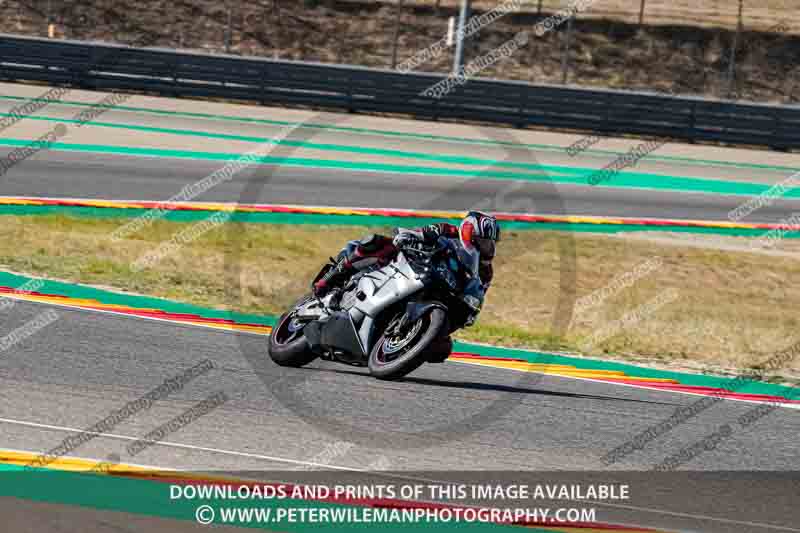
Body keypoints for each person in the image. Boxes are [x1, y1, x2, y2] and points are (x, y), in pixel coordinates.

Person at [312, 211, 501, 300]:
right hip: (415, 262)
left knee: (442, 350)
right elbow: (421, 232)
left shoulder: (486, 271)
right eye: (484, 241)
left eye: (490, 244)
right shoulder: (448, 230)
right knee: (374, 242)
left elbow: (477, 295)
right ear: (469, 231)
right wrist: (409, 236)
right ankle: (328, 280)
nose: (487, 247)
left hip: (439, 288)